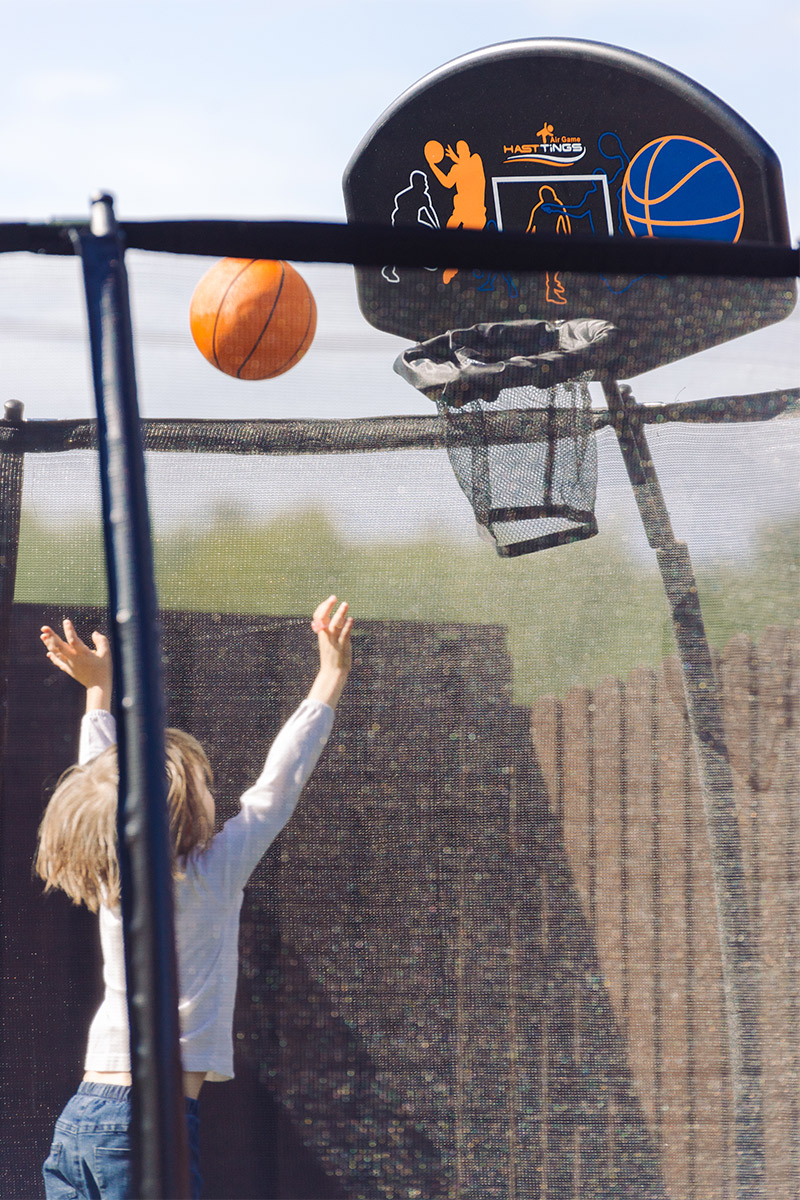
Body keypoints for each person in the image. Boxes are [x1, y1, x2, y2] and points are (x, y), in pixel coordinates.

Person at [36, 597, 353, 1200]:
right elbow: (276, 788)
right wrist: (330, 675)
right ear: (182, 812)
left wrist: (99, 694)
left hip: (81, 1118)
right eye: (202, 787)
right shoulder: (211, 873)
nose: (211, 793)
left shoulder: (113, 873)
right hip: (147, 1126)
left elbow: (98, 783)